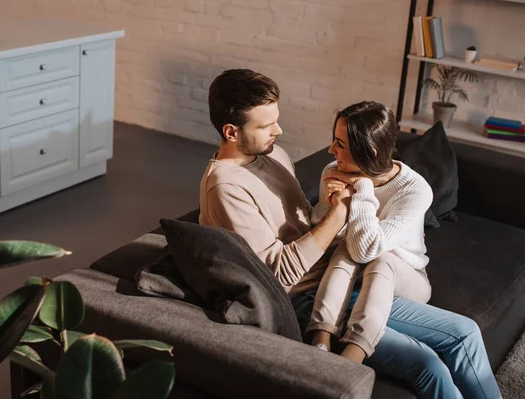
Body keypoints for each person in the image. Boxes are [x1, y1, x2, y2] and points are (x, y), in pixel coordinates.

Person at [199, 68, 501, 399]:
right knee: (427, 364)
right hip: (303, 299)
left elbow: (309, 225)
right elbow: (278, 275)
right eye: (266, 125)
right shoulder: (226, 186)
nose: (279, 130)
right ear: (231, 131)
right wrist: (343, 209)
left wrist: (338, 212)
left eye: (277, 119)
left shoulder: (272, 156)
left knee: (465, 333)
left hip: (342, 279)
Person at [307, 102, 433, 365]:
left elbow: (368, 249)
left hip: (406, 279)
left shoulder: (415, 189)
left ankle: (352, 358)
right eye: (334, 141)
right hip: (352, 271)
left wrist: (363, 187)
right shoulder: (332, 171)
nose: (331, 150)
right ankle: (320, 342)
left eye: (340, 144)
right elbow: (324, 233)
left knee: (381, 257)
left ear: (369, 153)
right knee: (345, 246)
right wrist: (333, 206)